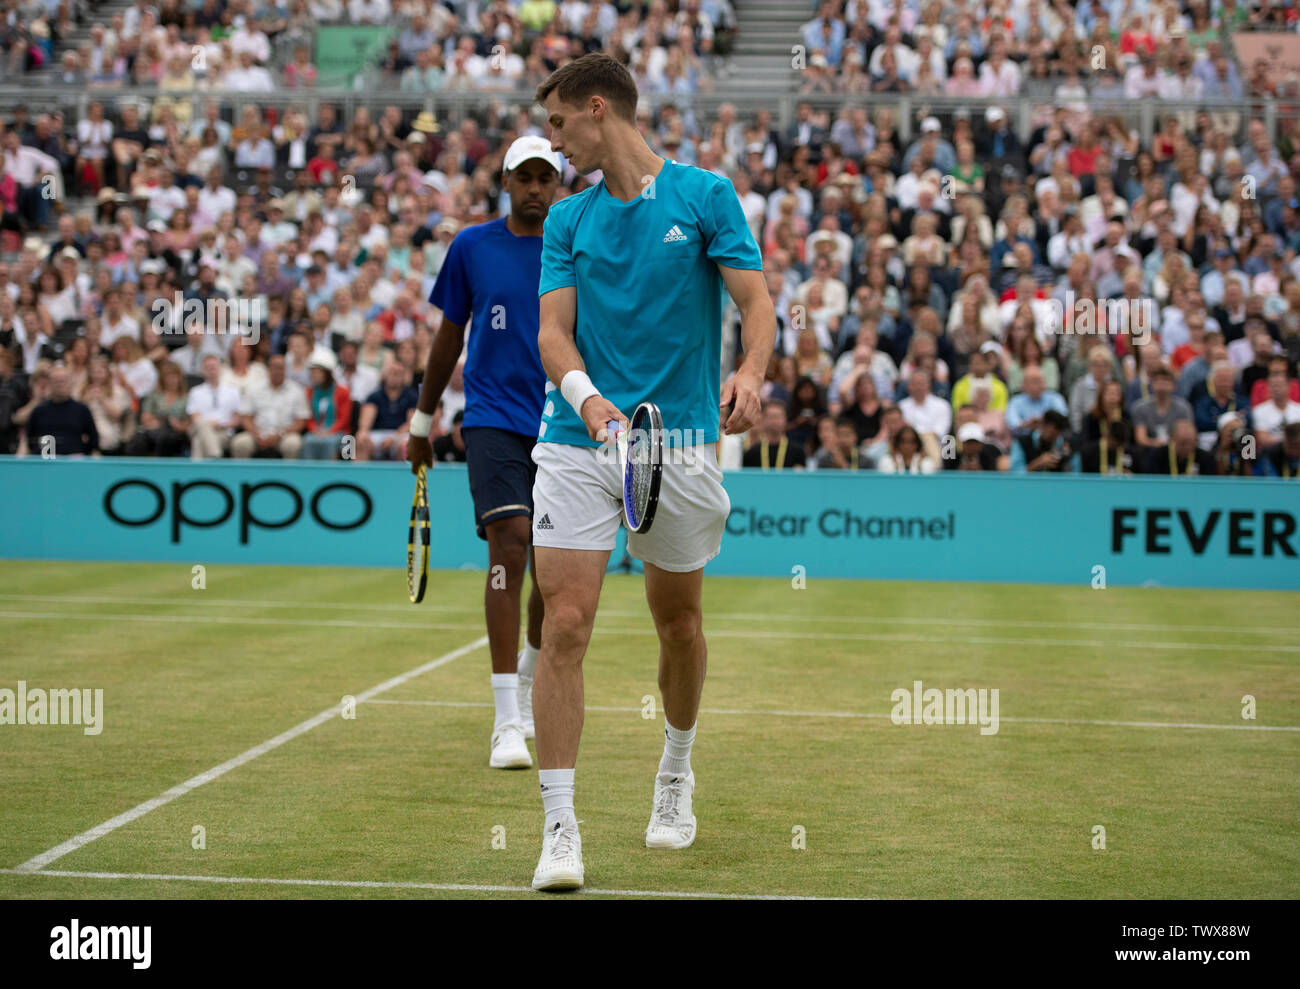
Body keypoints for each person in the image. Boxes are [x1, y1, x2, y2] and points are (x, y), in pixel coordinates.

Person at [527, 54, 775, 891]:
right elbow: (552, 336)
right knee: (564, 621)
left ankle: (675, 771)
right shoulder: (567, 219)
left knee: (678, 622)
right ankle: (560, 828)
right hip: (579, 436)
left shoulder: (705, 197)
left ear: (598, 110)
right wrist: (593, 407)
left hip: (679, 440)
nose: (554, 145)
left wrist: (752, 371)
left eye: (559, 124)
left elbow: (757, 303)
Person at [407, 136, 560, 772]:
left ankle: (527, 679)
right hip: (492, 419)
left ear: (557, 184)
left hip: (563, 420)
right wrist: (422, 419)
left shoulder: (578, 244)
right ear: (505, 182)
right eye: (523, 177)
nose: (534, 187)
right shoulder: (471, 246)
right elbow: (449, 338)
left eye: (544, 177)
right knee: (511, 545)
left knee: (555, 573)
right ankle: (506, 721)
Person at [231, 353, 309, 458]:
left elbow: (301, 421)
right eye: (274, 367)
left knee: (293, 444)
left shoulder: (296, 390)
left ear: (286, 369)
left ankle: (289, 474)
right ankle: (242, 474)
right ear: (268, 369)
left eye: (281, 368)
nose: (278, 371)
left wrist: (281, 434)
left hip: (285, 434)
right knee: (240, 443)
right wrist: (256, 434)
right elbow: (246, 417)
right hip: (257, 433)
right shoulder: (253, 388)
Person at [25, 364, 97, 457]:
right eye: (56, 381)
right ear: (50, 384)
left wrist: (82, 453)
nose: (60, 385)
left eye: (63, 381)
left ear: (70, 383)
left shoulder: (82, 410)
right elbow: (30, 439)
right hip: (46, 460)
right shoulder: (39, 411)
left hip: (74, 461)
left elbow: (93, 439)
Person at [357, 361, 417, 461]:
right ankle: (359, 475)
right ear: (385, 375)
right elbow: (365, 424)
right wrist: (363, 433)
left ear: (404, 377)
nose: (395, 377)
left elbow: (412, 424)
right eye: (392, 373)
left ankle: (403, 476)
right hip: (378, 434)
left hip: (400, 435)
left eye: (398, 374)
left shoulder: (412, 396)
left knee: (407, 445)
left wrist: (393, 438)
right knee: (359, 440)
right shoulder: (374, 396)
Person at [185, 353, 241, 460]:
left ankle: (196, 473)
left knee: (198, 440)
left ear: (220, 368)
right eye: (207, 367)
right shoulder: (195, 392)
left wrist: (222, 424)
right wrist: (211, 424)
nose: (211, 370)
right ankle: (215, 456)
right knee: (201, 426)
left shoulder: (233, 391)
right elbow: (194, 418)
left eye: (214, 366)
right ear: (202, 371)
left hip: (223, 432)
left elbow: (237, 419)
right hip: (200, 428)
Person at [301, 348, 353, 460]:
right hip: (316, 432)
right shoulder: (309, 392)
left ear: (327, 373)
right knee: (307, 441)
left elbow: (344, 419)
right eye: (312, 372)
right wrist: (314, 429)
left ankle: (330, 475)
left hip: (340, 432)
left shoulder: (343, 392)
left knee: (329, 442)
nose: (313, 375)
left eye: (317, 372)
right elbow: (308, 417)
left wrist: (329, 431)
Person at [742, 400, 806, 469]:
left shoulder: (797, 452)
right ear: (763, 419)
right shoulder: (752, 453)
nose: (775, 421)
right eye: (771, 417)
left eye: (778, 417)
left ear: (785, 419)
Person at [1143, 418, 1217, 475]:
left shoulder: (1206, 458)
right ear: (1173, 440)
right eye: (1183, 443)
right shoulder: (1157, 456)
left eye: (1192, 443)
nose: (1188, 447)